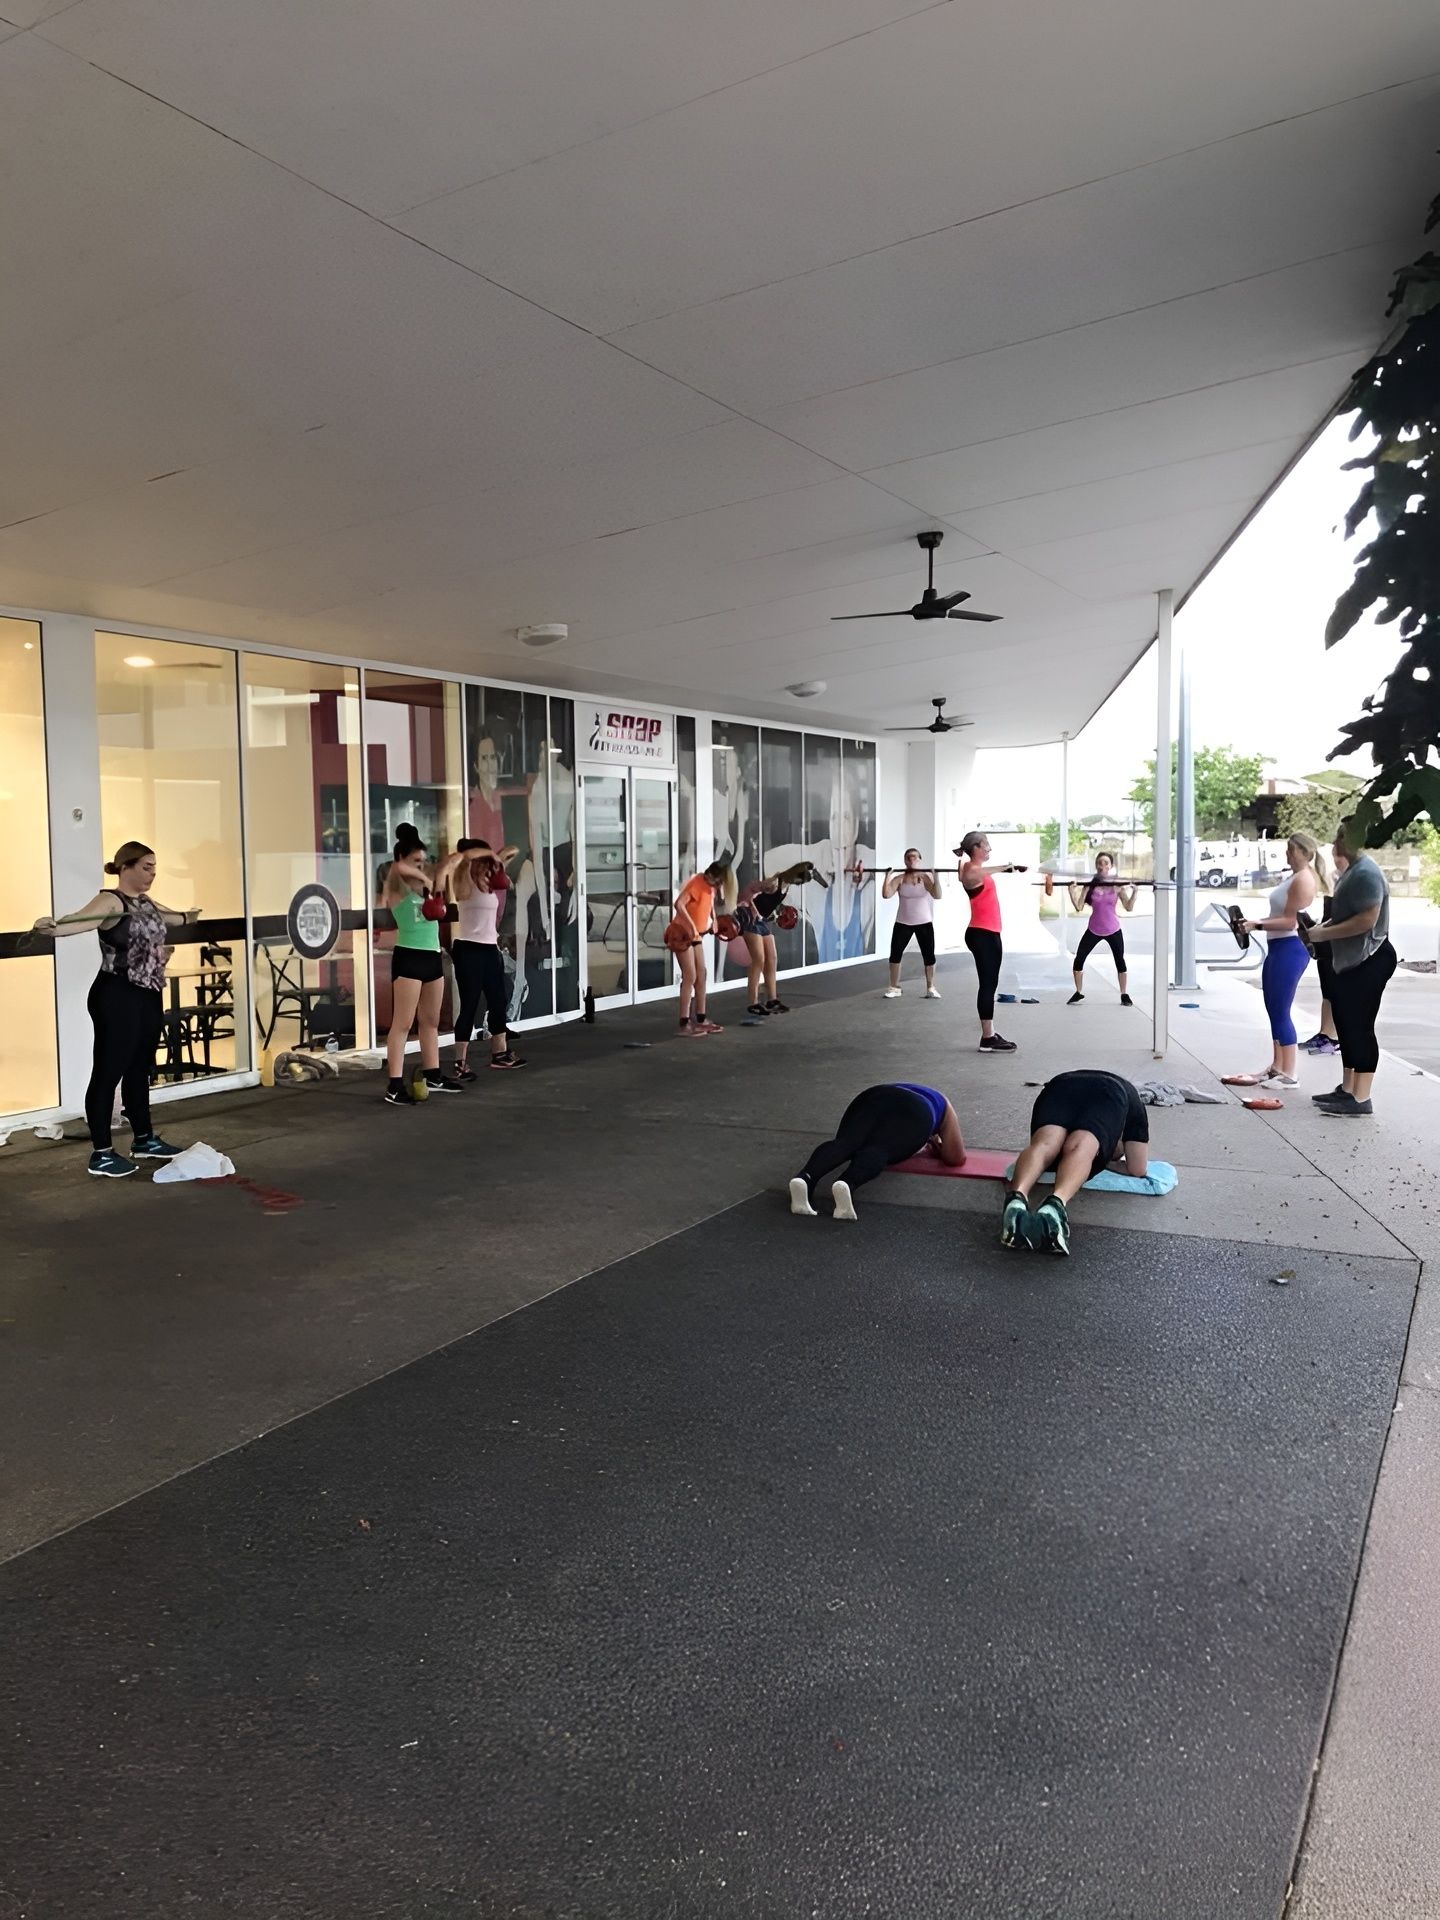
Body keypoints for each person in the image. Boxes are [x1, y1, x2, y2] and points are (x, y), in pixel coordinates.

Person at [34, 841, 196, 1177]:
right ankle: (102, 1154)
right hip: (116, 995)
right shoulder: (111, 900)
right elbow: (78, 922)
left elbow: (170, 918)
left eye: (154, 867)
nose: (153, 873)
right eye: (147, 866)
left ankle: (144, 1139)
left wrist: (187, 916)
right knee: (109, 1072)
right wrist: (51, 927)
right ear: (127, 867)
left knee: (139, 1069)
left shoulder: (146, 902)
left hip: (148, 994)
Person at [1002, 1069, 1150, 1256]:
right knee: (1082, 1145)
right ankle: (1056, 1204)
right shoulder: (1132, 1104)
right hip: (1110, 1091)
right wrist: (1110, 1162)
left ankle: (1017, 1196)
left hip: (1061, 1084)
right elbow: (1138, 1168)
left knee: (1045, 1143)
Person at [1306, 825, 1396, 1117]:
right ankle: (1348, 1088)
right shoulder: (1352, 872)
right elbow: (1345, 916)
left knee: (1360, 1026)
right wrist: (1322, 929)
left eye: (1343, 836)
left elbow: (1366, 921)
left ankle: (1361, 1097)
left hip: (1369, 958)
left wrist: (1323, 935)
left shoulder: (1367, 874)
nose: (1336, 842)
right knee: (1345, 1025)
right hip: (1350, 960)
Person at [790, 1082, 966, 1221]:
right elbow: (956, 1158)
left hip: (874, 1095)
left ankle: (805, 1177)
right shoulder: (944, 1104)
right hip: (917, 1110)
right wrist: (935, 1145)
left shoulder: (917, 1089)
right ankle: (847, 1184)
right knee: (880, 1150)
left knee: (846, 1143)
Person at [380, 824, 465, 1103]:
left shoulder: (426, 888)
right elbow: (400, 870)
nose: (421, 865)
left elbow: (446, 869)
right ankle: (394, 1085)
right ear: (402, 859)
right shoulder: (394, 880)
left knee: (430, 1022)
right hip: (409, 957)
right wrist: (424, 873)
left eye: (423, 860)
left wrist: (441, 870)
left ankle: (433, 1074)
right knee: (402, 1023)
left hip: (431, 956)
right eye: (416, 860)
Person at [1236, 833, 1328, 1088]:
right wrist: (1257, 923)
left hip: (1290, 946)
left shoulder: (1304, 880)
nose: (1287, 855)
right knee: (1273, 1007)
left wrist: (1256, 924)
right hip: (1278, 946)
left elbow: (1290, 921)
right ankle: (1277, 1066)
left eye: (1291, 851)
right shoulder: (1294, 878)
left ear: (1304, 853)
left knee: (1281, 1010)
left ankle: (1289, 1073)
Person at [449, 839, 524, 1077]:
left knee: (498, 1002)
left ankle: (499, 1054)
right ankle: (460, 1062)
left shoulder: (489, 879)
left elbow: (514, 849)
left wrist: (495, 857)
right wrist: (486, 855)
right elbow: (467, 856)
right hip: (468, 949)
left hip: (490, 949)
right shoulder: (462, 879)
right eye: (483, 858)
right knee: (469, 1006)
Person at [956, 832, 1023, 1052]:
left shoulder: (971, 869)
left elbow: (974, 874)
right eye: (986, 846)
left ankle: (990, 1034)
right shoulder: (971, 870)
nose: (989, 850)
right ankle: (987, 1038)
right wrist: (1007, 866)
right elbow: (972, 874)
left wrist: (1008, 869)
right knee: (987, 985)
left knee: (990, 984)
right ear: (976, 847)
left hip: (989, 932)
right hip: (981, 933)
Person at [735, 862, 813, 1017]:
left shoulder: (787, 885)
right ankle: (753, 1003)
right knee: (759, 960)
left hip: (762, 920)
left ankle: (772, 1000)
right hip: (749, 919)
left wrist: (776, 912)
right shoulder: (773, 882)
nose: (799, 885)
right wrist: (754, 910)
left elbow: (769, 902)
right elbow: (749, 890)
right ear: (795, 875)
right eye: (800, 881)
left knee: (772, 958)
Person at [672, 859, 735, 1036]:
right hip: (681, 933)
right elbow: (678, 904)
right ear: (710, 875)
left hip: (696, 935)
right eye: (717, 881)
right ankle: (683, 1024)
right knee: (690, 975)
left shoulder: (712, 886)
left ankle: (700, 1018)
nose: (718, 885)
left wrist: (714, 918)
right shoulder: (696, 882)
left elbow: (710, 901)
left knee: (702, 975)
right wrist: (691, 926)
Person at [1066, 852, 1135, 1006]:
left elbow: (1129, 907)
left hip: (1113, 929)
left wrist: (1135, 891)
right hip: (1094, 929)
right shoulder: (1090, 886)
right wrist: (1071, 891)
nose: (1102, 866)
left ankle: (1124, 994)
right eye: (1099, 863)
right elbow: (1078, 907)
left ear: (1110, 866)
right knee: (1079, 960)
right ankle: (1078, 992)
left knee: (1120, 961)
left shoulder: (1117, 886)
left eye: (1106, 863)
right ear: (1096, 866)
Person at [1301, 840, 1348, 1057]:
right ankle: (1325, 1033)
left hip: (1339, 946)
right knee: (1327, 991)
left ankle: (1336, 1038)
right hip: (1326, 945)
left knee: (1338, 992)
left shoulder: (1348, 882)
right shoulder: (1334, 883)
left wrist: (1320, 930)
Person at [882, 850, 942, 999]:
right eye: (908, 858)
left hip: (924, 922)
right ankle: (894, 987)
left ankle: (930, 987)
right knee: (895, 955)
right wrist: (887, 877)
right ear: (905, 861)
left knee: (929, 956)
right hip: (903, 922)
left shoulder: (925, 878)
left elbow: (937, 895)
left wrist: (936, 877)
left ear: (920, 860)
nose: (911, 859)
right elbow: (886, 894)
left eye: (914, 857)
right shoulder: (900, 878)